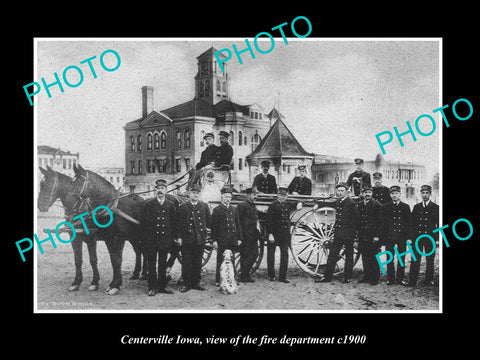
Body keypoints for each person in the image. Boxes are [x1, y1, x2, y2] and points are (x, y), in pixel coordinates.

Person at [316, 182, 359, 283]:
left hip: (348, 235)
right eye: (338, 191)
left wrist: (355, 236)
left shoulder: (351, 203)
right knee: (332, 255)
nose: (339, 193)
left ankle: (347, 277)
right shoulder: (339, 202)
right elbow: (328, 203)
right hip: (339, 234)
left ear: (346, 192)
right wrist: (317, 204)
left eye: (342, 191)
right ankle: (327, 277)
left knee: (349, 256)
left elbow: (356, 220)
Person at [139, 180, 177, 296]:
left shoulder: (170, 205)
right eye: (158, 188)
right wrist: (143, 240)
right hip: (151, 240)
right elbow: (143, 224)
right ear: (155, 190)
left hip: (165, 240)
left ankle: (162, 286)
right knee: (151, 264)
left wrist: (174, 238)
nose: (160, 190)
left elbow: (174, 223)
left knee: (162, 264)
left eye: (162, 188)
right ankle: (152, 287)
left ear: (166, 190)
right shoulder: (148, 205)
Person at [176, 185, 211, 292]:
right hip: (187, 239)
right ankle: (186, 284)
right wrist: (179, 237)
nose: (195, 195)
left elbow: (209, 223)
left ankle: (196, 283)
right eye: (193, 193)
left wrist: (207, 235)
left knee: (197, 262)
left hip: (199, 239)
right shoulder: (183, 207)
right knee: (186, 261)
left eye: (197, 193)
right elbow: (177, 224)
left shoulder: (204, 206)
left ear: (199, 194)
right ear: (189, 194)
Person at [266, 187, 301, 283]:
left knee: (285, 255)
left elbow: (298, 203)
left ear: (287, 196)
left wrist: (300, 203)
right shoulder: (273, 205)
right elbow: (268, 220)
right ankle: (271, 275)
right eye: (281, 195)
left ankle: (282, 277)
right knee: (271, 255)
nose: (282, 197)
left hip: (285, 235)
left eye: (284, 195)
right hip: (274, 233)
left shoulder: (287, 204)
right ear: (278, 195)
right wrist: (270, 234)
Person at [408, 184, 439, 287]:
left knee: (430, 259)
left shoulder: (435, 207)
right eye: (423, 193)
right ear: (420, 194)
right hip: (418, 237)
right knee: (415, 258)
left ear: (430, 194)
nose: (424, 195)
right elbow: (412, 224)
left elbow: (439, 224)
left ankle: (428, 280)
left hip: (430, 237)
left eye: (427, 193)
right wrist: (412, 238)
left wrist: (437, 239)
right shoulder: (417, 207)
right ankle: (412, 281)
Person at [211, 187, 243, 286]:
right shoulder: (217, 210)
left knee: (232, 259)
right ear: (222, 197)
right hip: (222, 240)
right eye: (226, 197)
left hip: (232, 239)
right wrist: (214, 240)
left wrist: (239, 238)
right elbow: (214, 227)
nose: (228, 199)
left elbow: (238, 224)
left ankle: (232, 278)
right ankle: (218, 279)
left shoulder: (234, 209)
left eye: (229, 197)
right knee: (221, 259)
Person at [381, 185, 412, 285]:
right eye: (392, 194)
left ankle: (400, 278)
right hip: (389, 236)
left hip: (401, 236)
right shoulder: (385, 206)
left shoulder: (405, 207)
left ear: (400, 194)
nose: (394, 195)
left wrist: (409, 237)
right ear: (390, 195)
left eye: (396, 193)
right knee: (389, 258)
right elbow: (383, 223)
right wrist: (383, 237)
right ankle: (390, 278)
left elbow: (409, 224)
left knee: (401, 258)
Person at [356, 184, 383, 285]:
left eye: (369, 192)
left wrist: (377, 236)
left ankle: (375, 278)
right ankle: (367, 276)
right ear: (362, 194)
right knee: (364, 256)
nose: (367, 194)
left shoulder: (377, 204)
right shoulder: (359, 204)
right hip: (363, 235)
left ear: (371, 193)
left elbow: (380, 222)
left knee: (374, 257)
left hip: (372, 236)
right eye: (365, 192)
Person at [236, 187, 260, 282]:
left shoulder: (252, 205)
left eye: (256, 195)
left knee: (254, 254)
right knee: (245, 255)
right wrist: (240, 236)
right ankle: (244, 275)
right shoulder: (242, 205)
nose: (256, 196)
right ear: (248, 195)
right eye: (254, 195)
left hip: (252, 235)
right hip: (245, 236)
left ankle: (244, 274)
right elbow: (238, 221)